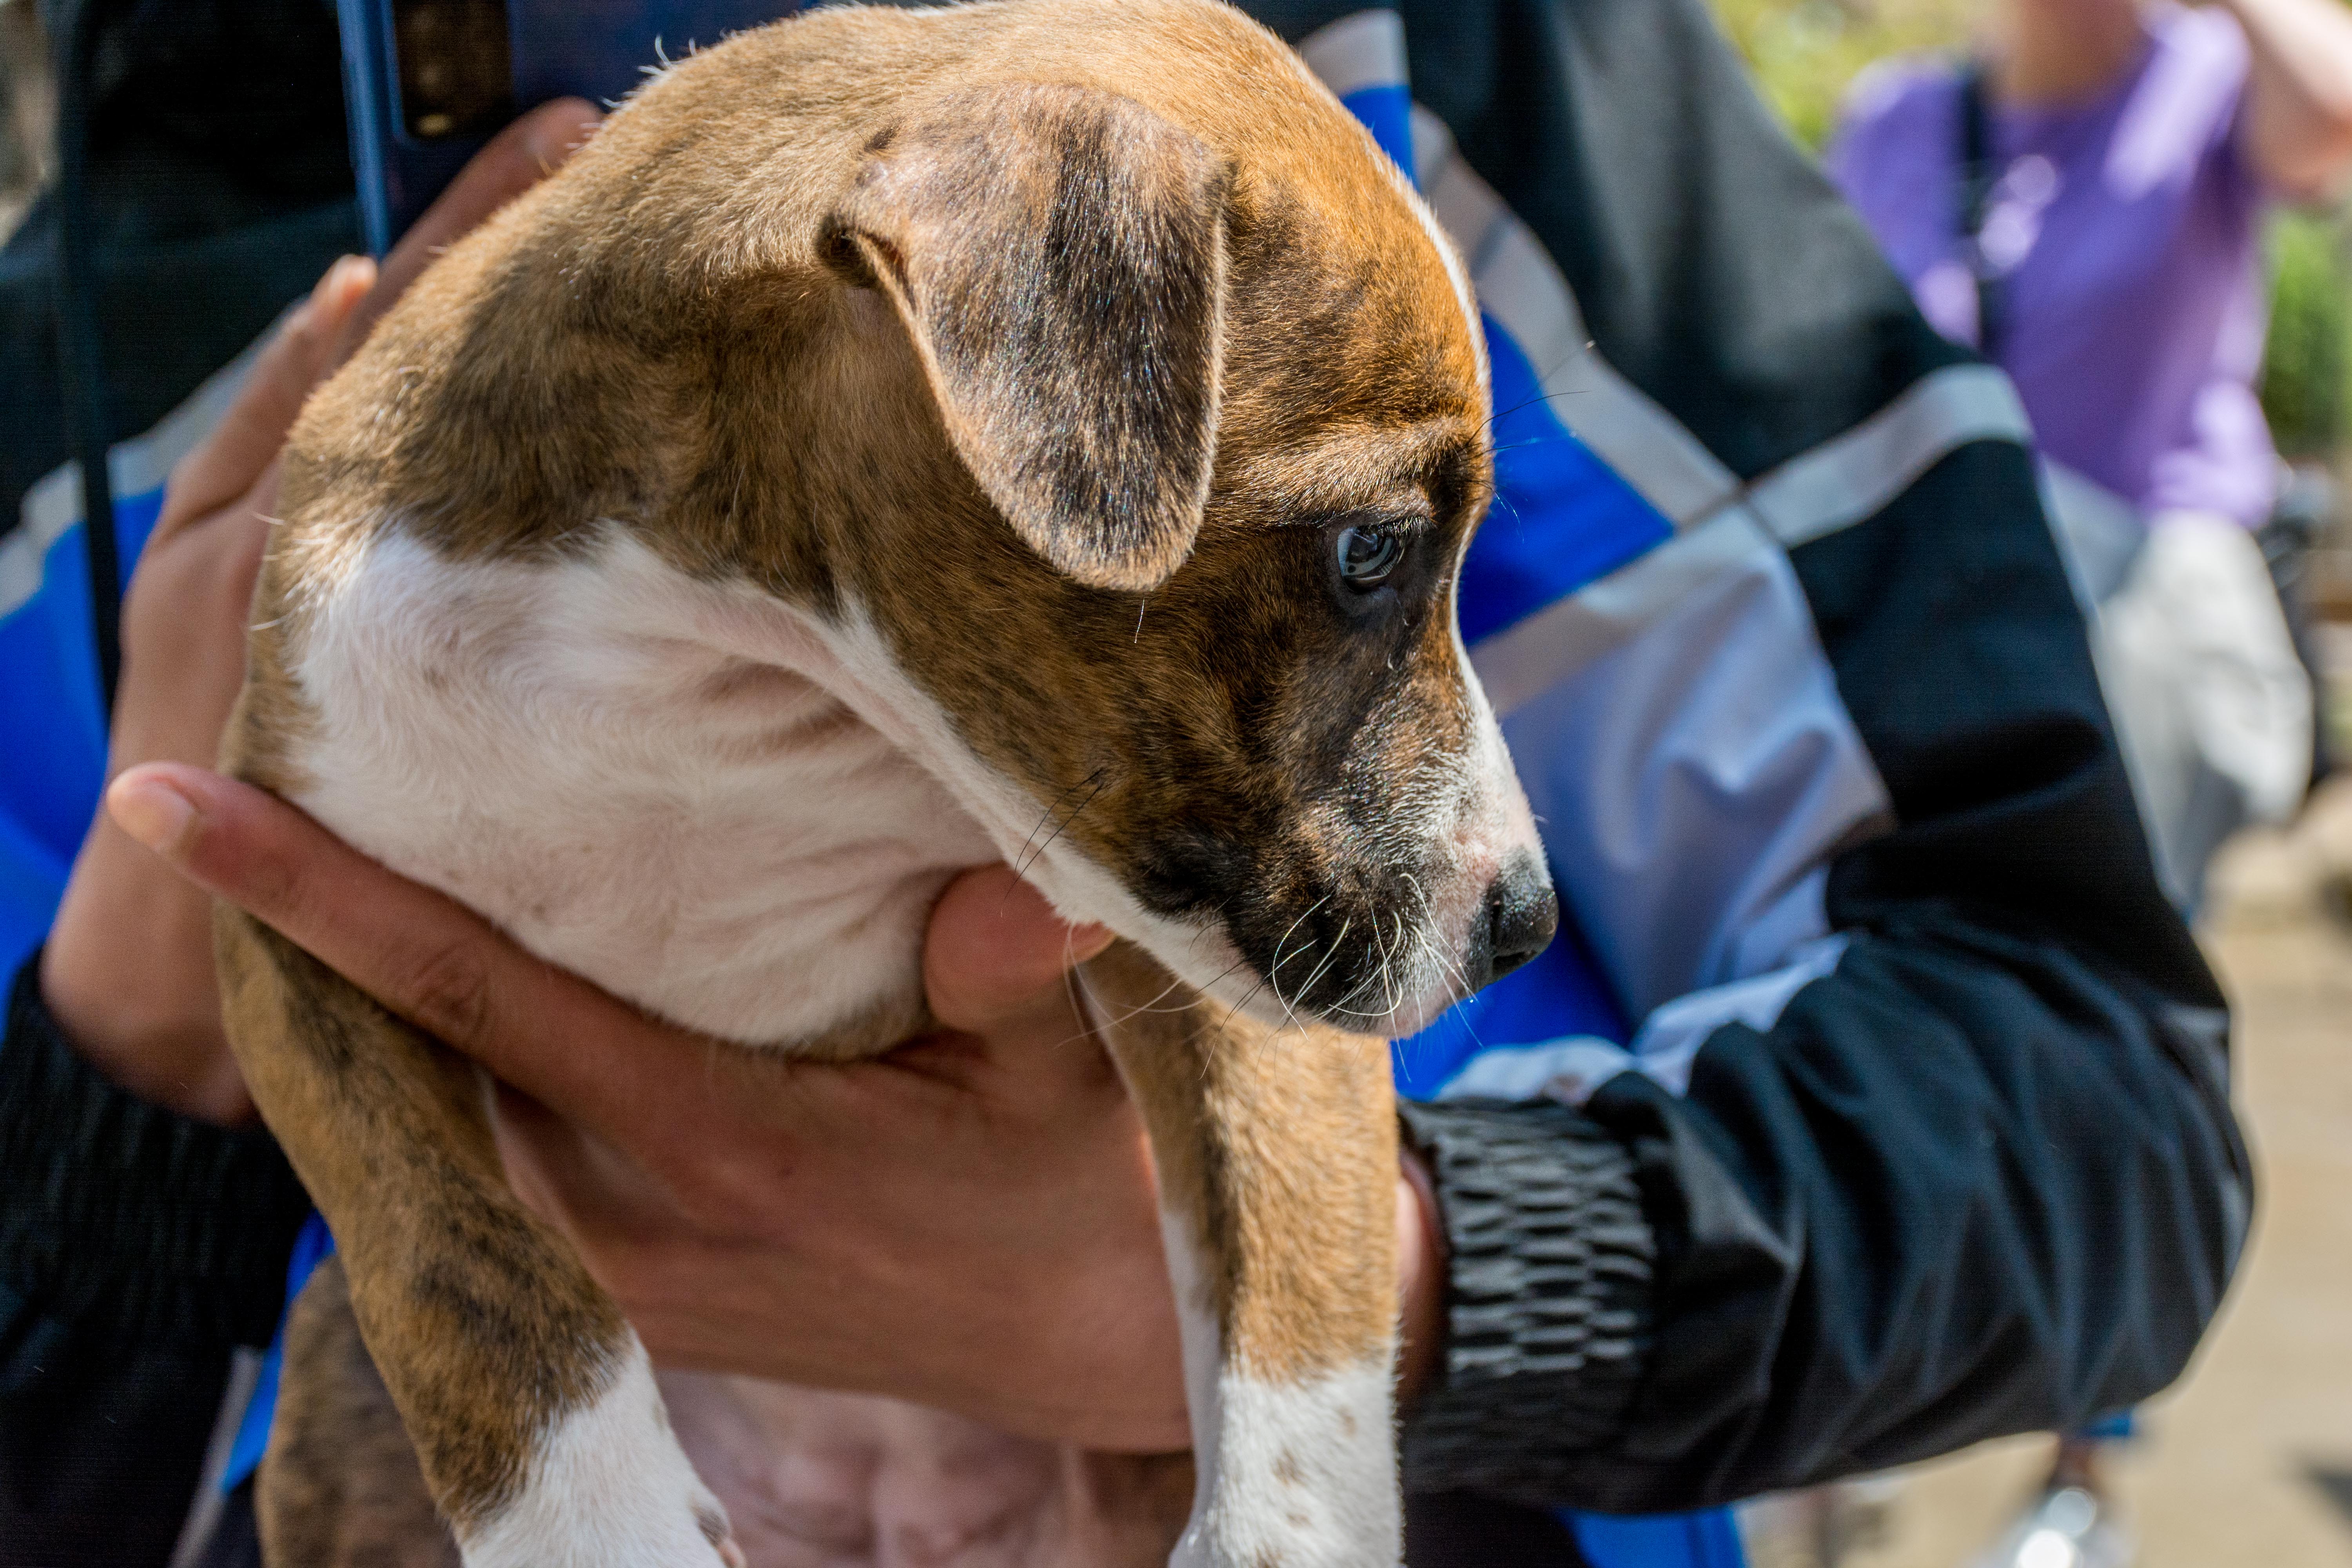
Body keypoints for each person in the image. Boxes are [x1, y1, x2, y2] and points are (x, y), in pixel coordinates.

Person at [2, 2, 2253, 1566]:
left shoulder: (1387, 121)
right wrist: (140, 1077)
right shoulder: (85, 362)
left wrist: (1409, 1291)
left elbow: (2099, 1107)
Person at [1827, 0, 2352, 915]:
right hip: (1963, 596)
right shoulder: (1896, 118)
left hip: (2153, 599)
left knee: (2101, 918)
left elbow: (2335, 112)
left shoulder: (2204, 79)